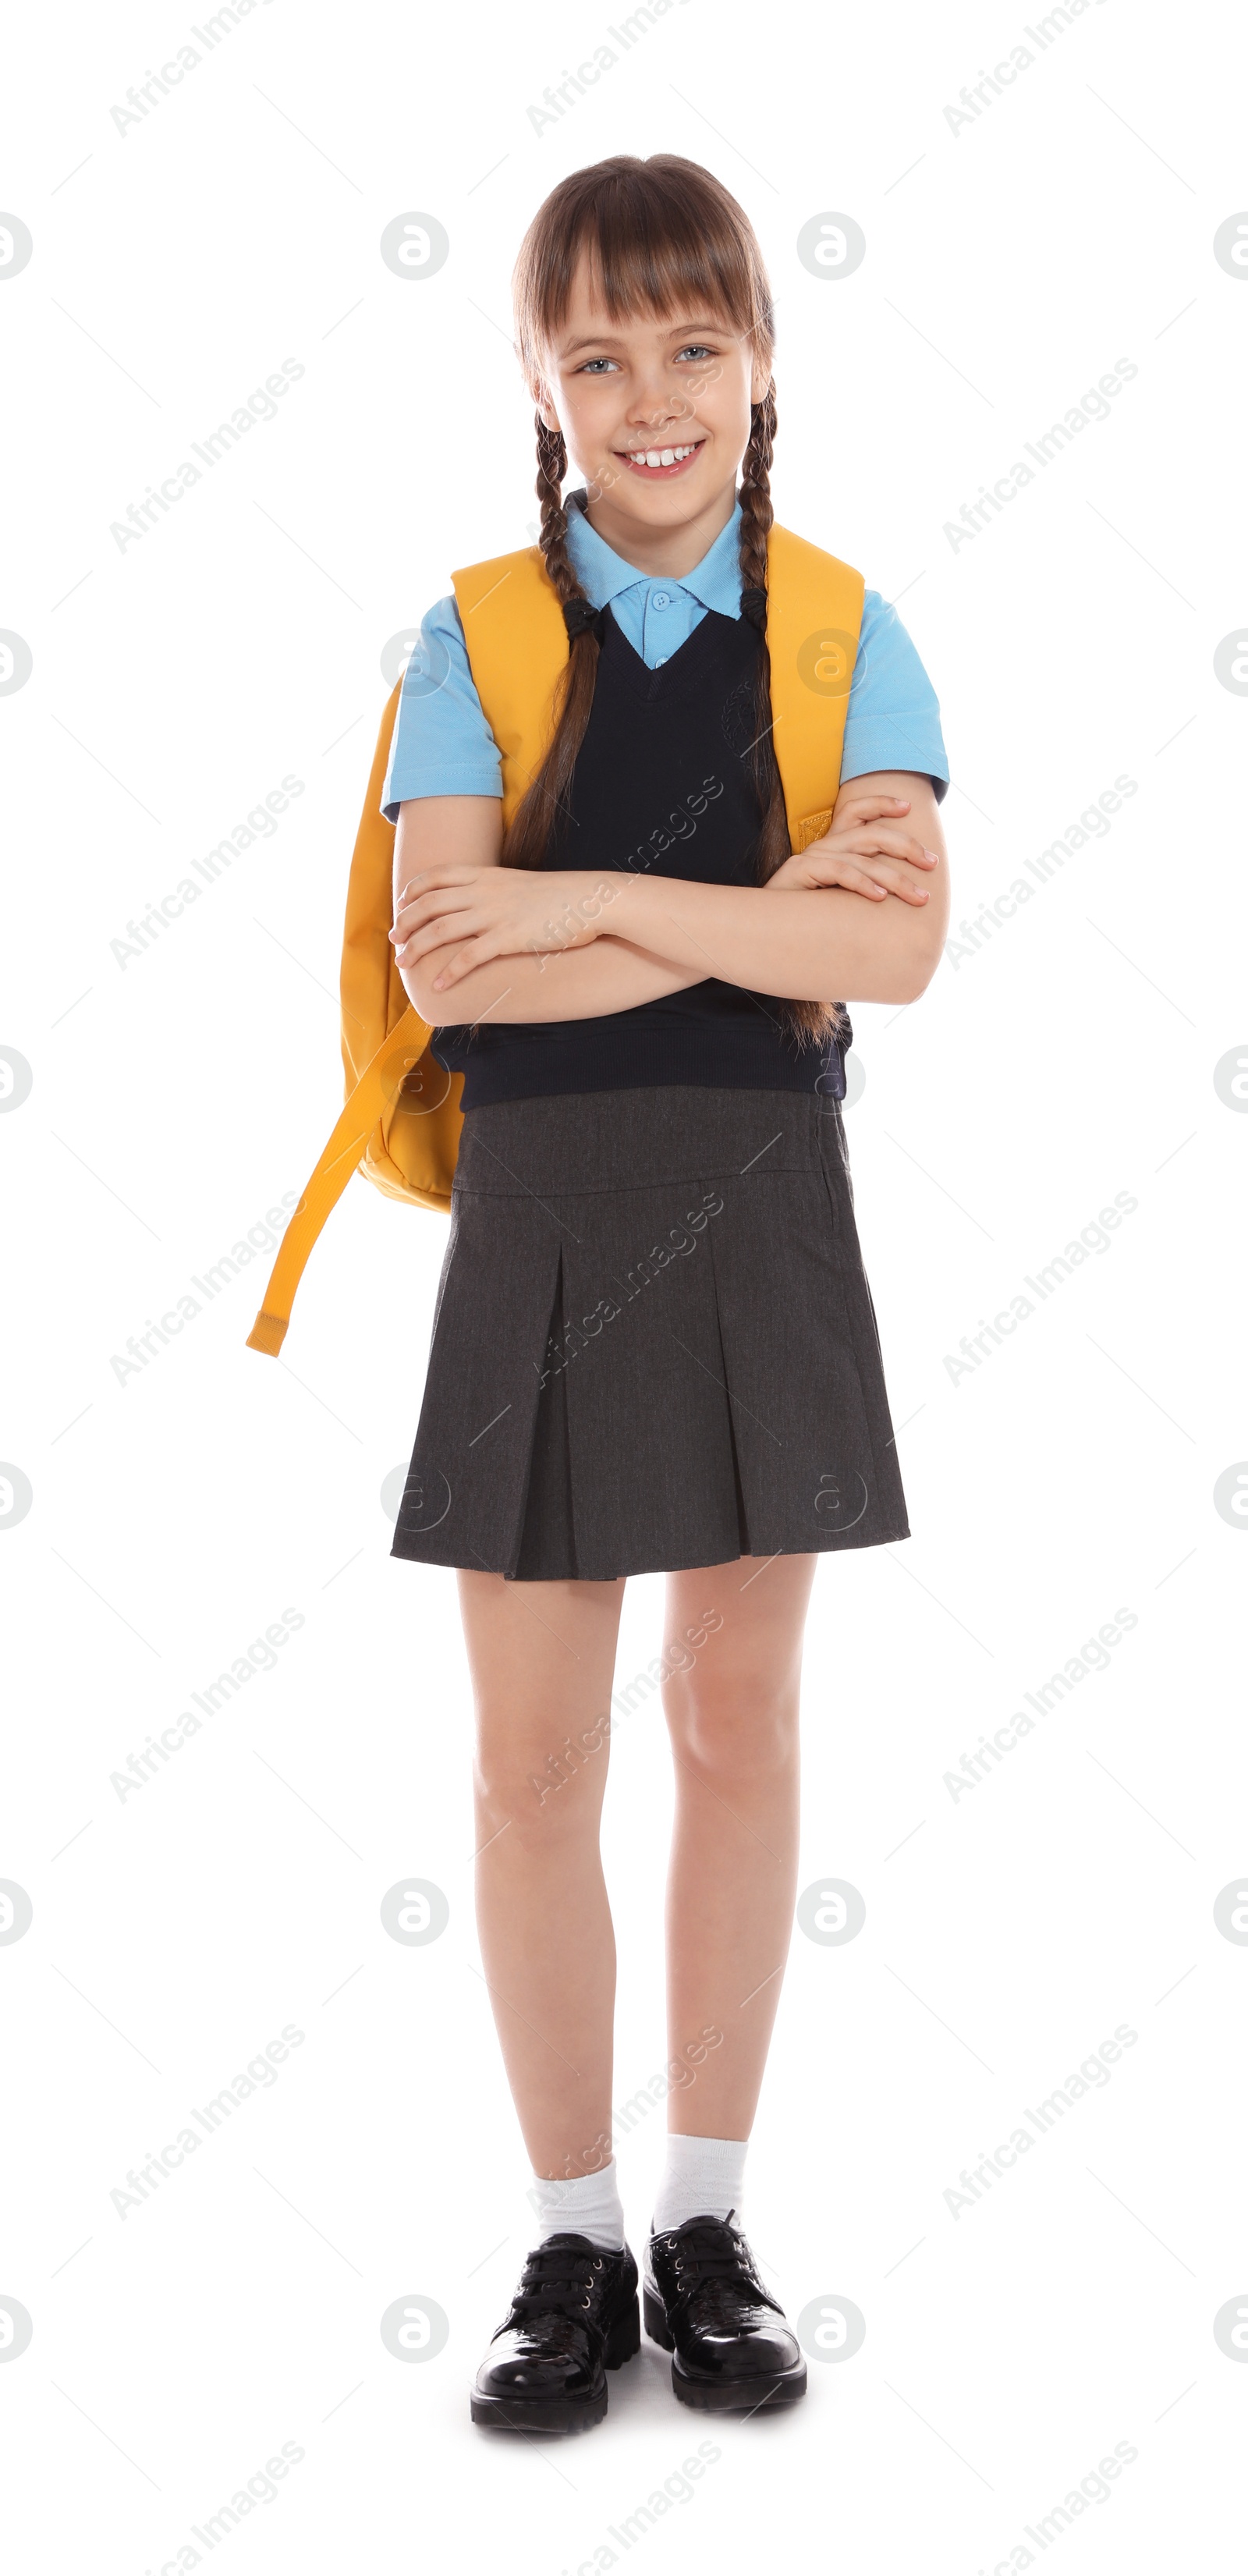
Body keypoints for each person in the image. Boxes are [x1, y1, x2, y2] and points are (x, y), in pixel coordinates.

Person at [385, 154, 950, 2434]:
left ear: (760, 361)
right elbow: (447, 947)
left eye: (690, 347)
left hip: (757, 1211)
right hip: (537, 1215)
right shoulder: (469, 639)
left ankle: (709, 2222)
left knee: (737, 1725)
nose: (648, 396)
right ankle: (573, 2239)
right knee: (531, 1767)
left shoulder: (839, 628)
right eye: (597, 354)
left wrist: (586, 914)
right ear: (538, 376)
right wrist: (752, 919)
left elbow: (895, 948)